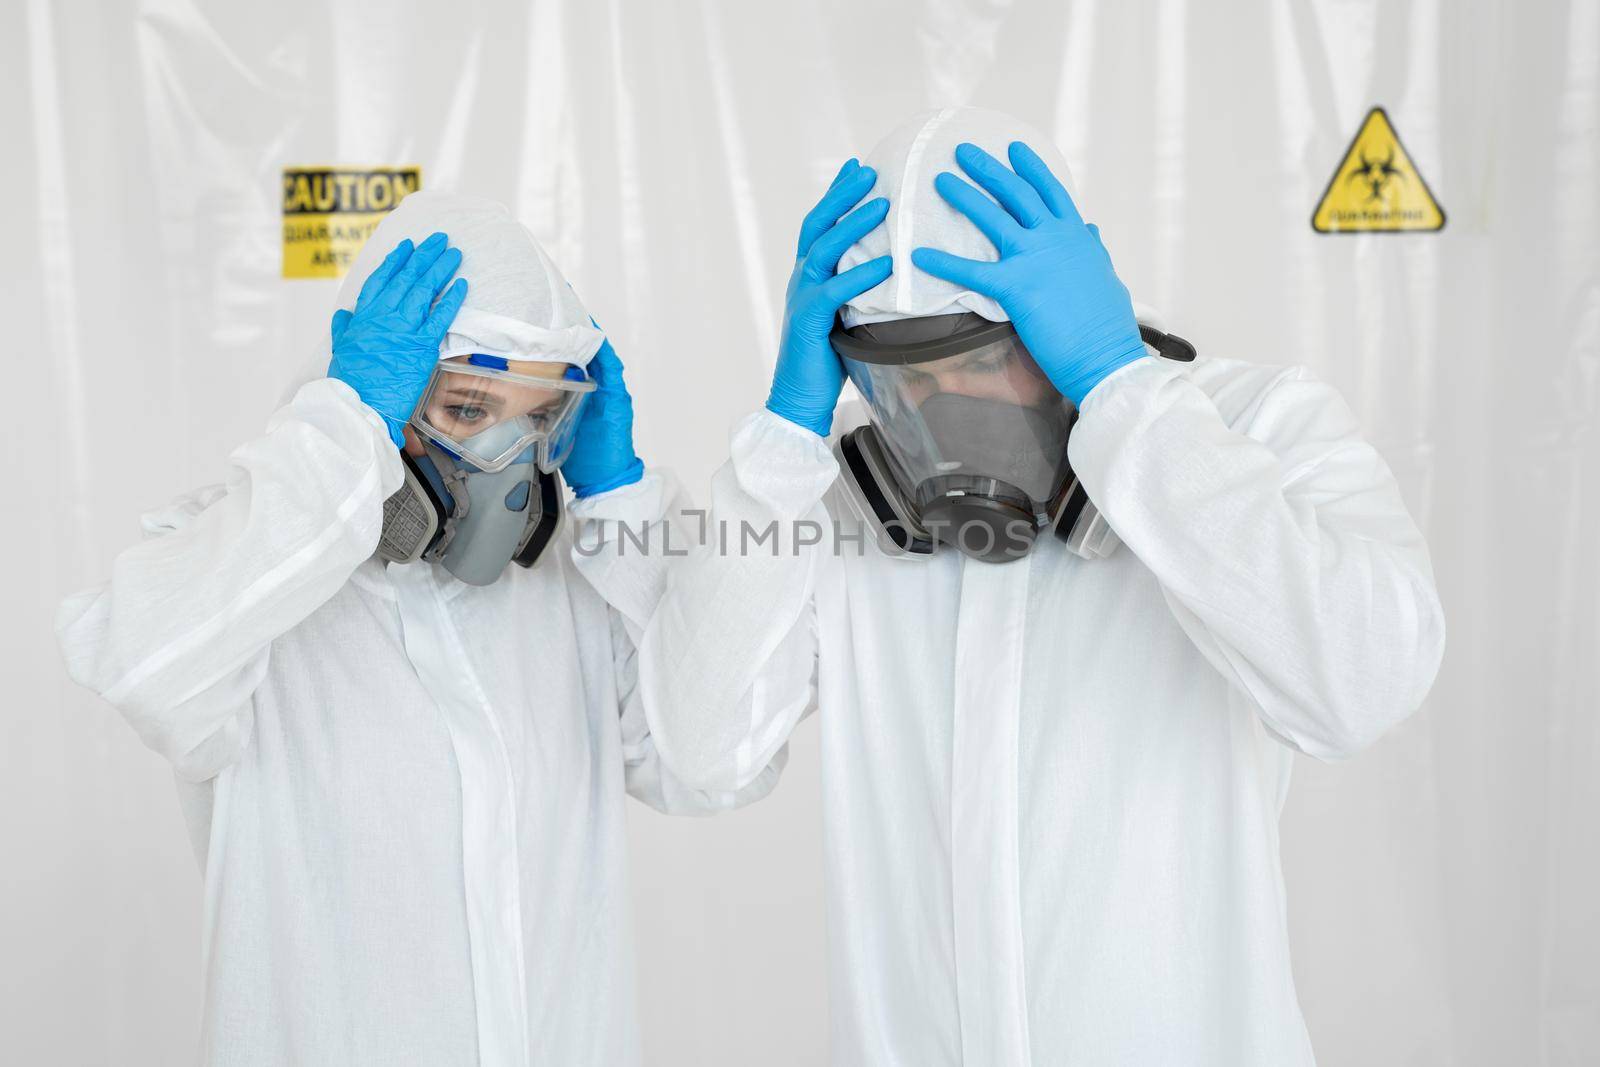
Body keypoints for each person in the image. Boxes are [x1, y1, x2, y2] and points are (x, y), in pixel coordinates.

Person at [592, 108, 1447, 1064]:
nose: (935, 412)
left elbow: (1361, 688)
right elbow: (706, 749)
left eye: (971, 363)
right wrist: (783, 439)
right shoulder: (844, 499)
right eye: (897, 378)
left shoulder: (1250, 427)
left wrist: (1123, 389)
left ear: (1053, 322)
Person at [55, 191, 775, 1066]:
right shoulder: (247, 562)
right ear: (379, 398)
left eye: (537, 418)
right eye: (468, 410)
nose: (506, 460)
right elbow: (148, 668)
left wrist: (624, 499)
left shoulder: (568, 591)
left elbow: (709, 762)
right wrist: (339, 432)